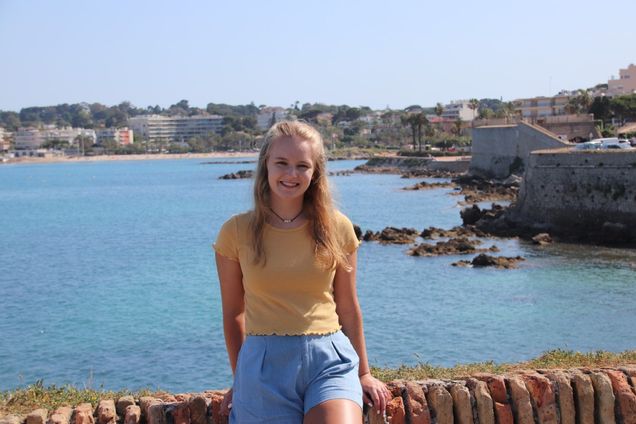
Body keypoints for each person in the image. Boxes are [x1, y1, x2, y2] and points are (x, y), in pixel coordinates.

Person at [214, 120, 390, 423]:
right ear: (266, 163)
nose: (291, 174)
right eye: (282, 163)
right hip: (263, 366)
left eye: (302, 165)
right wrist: (241, 378)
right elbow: (233, 314)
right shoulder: (235, 232)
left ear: (315, 171)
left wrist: (364, 373)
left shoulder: (337, 227)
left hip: (330, 360)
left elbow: (348, 306)